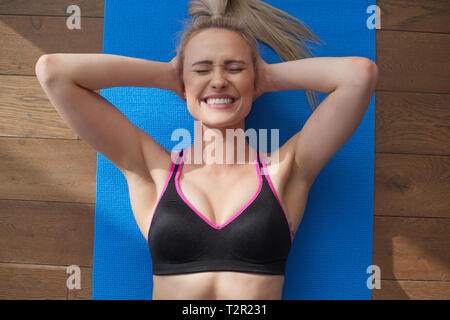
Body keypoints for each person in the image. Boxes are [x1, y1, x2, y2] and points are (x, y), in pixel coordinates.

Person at [35, 0, 378, 300]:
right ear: (182, 82)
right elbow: (54, 72)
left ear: (255, 80)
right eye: (202, 69)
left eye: (235, 68)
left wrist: (266, 76)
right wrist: (169, 74)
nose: (217, 80)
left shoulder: (287, 169)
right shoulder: (151, 170)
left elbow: (359, 76)